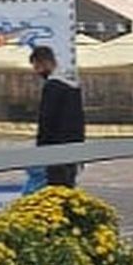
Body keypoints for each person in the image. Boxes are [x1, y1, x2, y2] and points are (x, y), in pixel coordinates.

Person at [28, 45, 85, 188]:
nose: (36, 71)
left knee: (56, 188)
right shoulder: (73, 86)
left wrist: (41, 149)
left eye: (36, 66)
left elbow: (47, 120)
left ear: (43, 62)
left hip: (55, 149)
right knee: (68, 186)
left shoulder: (53, 86)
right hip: (73, 147)